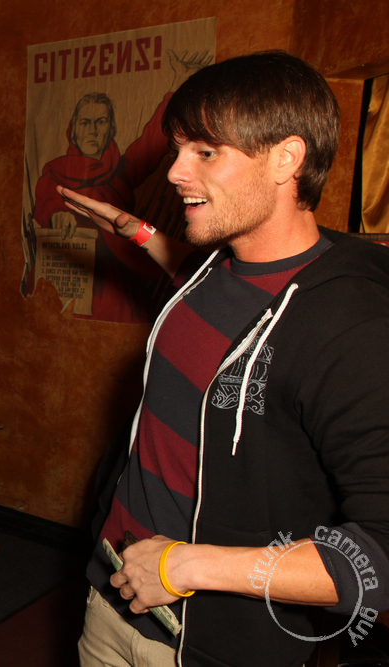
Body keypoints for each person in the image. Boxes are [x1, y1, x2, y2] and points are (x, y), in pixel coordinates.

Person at [60, 51, 389, 666]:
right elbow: (201, 282)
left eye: (205, 152)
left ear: (286, 159)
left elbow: (379, 558)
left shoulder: (353, 329)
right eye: (179, 149)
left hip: (205, 640)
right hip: (111, 592)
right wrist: (136, 231)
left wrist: (185, 566)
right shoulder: (215, 264)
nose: (175, 172)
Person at [27, 51, 211, 322]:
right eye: (85, 123)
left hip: (115, 284)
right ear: (73, 130)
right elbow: (47, 198)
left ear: (111, 129)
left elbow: (152, 139)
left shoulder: (121, 173)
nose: (93, 130)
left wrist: (177, 86)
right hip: (69, 279)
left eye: (101, 122)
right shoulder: (55, 172)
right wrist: (59, 215)